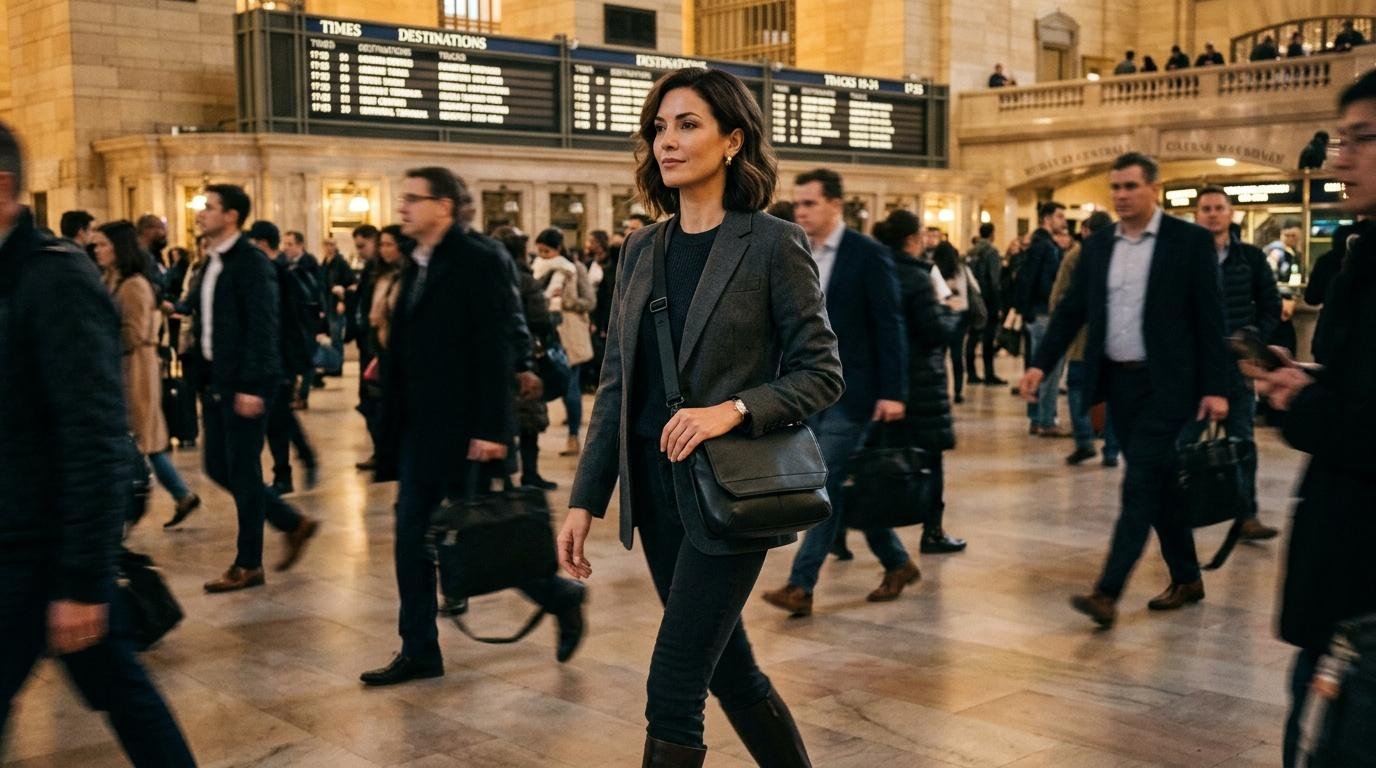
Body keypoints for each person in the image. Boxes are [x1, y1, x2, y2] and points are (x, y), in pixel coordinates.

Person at [560, 67, 842, 765]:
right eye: (660, 127)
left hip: (729, 492)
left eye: (688, 125)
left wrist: (734, 410)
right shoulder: (641, 249)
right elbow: (618, 386)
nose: (668, 141)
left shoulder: (772, 243)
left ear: (731, 141)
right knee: (729, 669)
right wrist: (584, 501)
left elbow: (822, 372)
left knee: (675, 683)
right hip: (656, 498)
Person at [0, 122, 197, 766]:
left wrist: (83, 579)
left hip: (40, 548)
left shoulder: (52, 277)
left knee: (123, 691)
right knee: (121, 688)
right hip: (16, 539)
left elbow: (93, 436)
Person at [363, 167, 587, 687]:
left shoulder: (478, 260)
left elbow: (493, 347)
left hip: (464, 430)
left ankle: (559, 593)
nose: (403, 208)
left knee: (480, 534)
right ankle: (419, 648)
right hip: (422, 428)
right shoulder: (419, 263)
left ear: (444, 206)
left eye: (413, 199)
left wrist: (493, 429)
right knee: (413, 540)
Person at [1019, 152, 1231, 629]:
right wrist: (1039, 365)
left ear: (1154, 188)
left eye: (1131, 186)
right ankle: (1188, 577)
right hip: (1120, 383)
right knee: (1158, 483)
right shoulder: (1098, 248)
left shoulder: (1188, 242)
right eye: (1115, 187)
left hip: (1169, 384)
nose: (1121, 195)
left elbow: (1210, 320)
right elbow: (1071, 311)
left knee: (1139, 485)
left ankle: (1107, 591)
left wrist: (1217, 388)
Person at [1258, 69, 1376, 767]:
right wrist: (1305, 382)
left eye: (1362, 139)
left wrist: (1306, 401)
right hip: (1342, 576)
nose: (1341, 156)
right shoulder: (1359, 259)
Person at [758, 165, 918, 619]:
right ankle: (898, 562)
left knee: (824, 483)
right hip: (808, 390)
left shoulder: (866, 255)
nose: (801, 211)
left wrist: (894, 391)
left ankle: (800, 585)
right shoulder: (796, 250)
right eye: (799, 203)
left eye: (810, 203)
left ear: (835, 204)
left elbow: (890, 325)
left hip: (855, 391)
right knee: (839, 487)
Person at [188, 185, 319, 592]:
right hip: (216, 380)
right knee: (217, 465)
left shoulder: (250, 263)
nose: (200, 214)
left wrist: (253, 387)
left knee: (243, 471)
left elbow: (264, 327)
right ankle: (290, 521)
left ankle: (249, 564)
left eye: (207, 207)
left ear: (231, 216)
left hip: (244, 384)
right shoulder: (212, 261)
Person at [1179, 186, 1282, 540]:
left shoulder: (1250, 258)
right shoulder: (1182, 259)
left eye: (1218, 208)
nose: (1212, 214)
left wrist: (1251, 338)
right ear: (1196, 214)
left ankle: (1246, 516)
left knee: (1243, 443)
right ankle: (1175, 511)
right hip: (1194, 372)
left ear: (1230, 212)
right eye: (1205, 208)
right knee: (1182, 443)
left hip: (1236, 369)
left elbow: (1270, 306)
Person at [92, 220, 201, 525]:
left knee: (138, 439)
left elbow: (133, 333)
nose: (97, 250)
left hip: (135, 371)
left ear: (119, 248)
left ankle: (126, 512)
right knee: (145, 442)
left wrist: (100, 337)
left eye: (103, 244)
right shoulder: (114, 279)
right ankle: (182, 495)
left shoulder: (133, 285)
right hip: (126, 368)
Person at [875, 210, 962, 554]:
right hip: (921, 380)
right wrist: (951, 312)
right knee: (931, 456)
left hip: (883, 381)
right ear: (912, 239)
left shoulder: (875, 271)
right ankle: (933, 530)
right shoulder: (917, 276)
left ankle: (844, 532)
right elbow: (933, 331)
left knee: (879, 452)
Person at [246, 220, 319, 497]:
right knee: (278, 416)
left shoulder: (279, 274)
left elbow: (290, 320)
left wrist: (292, 361)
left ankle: (291, 469)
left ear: (262, 244)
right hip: (274, 357)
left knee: (279, 417)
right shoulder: (270, 272)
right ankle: (293, 467)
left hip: (281, 357)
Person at [1055, 211, 1122, 467]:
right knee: (1114, 394)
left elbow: (1058, 296)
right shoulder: (1124, 254)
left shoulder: (1076, 256)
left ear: (1086, 231)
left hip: (1083, 339)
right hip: (1115, 340)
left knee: (1077, 388)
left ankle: (1084, 442)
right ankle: (1112, 450)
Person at [532, 227, 596, 458]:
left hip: (570, 333)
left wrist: (567, 300)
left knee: (571, 386)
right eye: (539, 251)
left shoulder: (574, 268)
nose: (543, 256)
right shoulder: (537, 269)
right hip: (548, 333)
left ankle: (573, 438)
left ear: (558, 248)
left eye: (546, 251)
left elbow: (589, 301)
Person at [359, 224, 412, 472]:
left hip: (400, 353)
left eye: (389, 244)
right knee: (374, 403)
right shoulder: (378, 274)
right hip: (379, 349)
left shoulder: (409, 276)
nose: (384, 250)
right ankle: (384, 453)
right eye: (382, 244)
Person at [1015, 201, 1066, 434]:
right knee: (1049, 367)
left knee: (1036, 364)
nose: (1063, 221)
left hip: (1036, 312)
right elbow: (1034, 280)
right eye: (1059, 216)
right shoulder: (1044, 246)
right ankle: (1046, 419)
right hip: (1043, 313)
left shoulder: (1038, 244)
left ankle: (1037, 417)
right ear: (1047, 218)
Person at [926, 226, 975, 404]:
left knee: (940, 355)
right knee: (957, 355)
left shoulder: (932, 269)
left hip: (940, 313)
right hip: (961, 314)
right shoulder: (962, 269)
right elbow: (975, 289)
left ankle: (942, 389)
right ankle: (958, 390)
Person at [964, 222, 1005, 386]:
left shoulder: (971, 251)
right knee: (988, 337)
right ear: (992, 234)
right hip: (988, 299)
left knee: (973, 336)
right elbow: (994, 280)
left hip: (973, 298)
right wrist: (998, 303)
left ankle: (971, 373)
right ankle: (989, 373)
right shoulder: (992, 252)